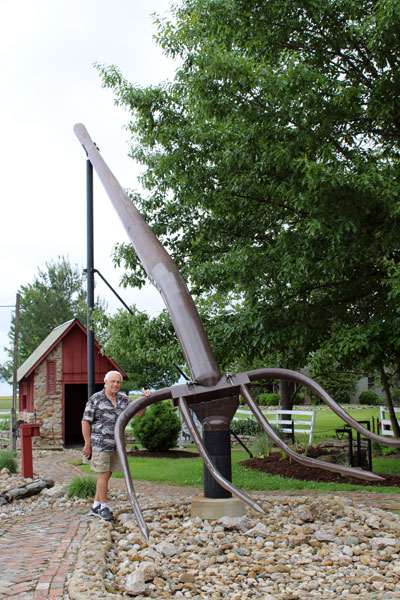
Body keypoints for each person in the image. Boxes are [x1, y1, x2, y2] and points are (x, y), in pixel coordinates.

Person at [81, 370, 151, 521]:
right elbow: (85, 421)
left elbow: (138, 414)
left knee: (108, 474)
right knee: (103, 474)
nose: (115, 384)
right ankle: (104, 508)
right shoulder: (96, 399)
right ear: (105, 382)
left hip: (116, 444)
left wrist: (144, 400)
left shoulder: (123, 399)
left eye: (118, 382)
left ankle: (95, 506)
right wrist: (87, 444)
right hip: (100, 444)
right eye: (112, 381)